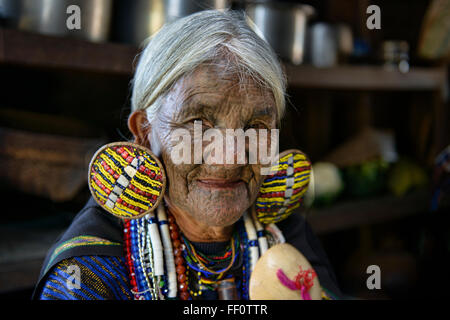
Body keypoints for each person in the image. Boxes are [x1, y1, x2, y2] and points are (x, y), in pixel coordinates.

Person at [33, 9, 343, 300]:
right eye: (198, 124)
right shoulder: (88, 272)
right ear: (144, 132)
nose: (230, 159)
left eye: (256, 126)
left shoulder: (287, 235)